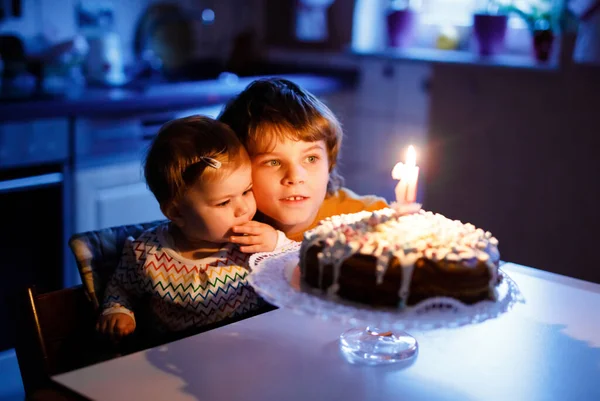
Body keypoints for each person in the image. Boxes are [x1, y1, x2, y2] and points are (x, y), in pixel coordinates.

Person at [97, 116, 293, 340]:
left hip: (249, 345)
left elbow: (298, 269)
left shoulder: (254, 241)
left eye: (246, 191)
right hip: (177, 355)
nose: (243, 209)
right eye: (224, 202)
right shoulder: (147, 253)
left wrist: (277, 244)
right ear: (176, 213)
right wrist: (118, 310)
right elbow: (121, 287)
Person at [218, 78, 388, 242]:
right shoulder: (227, 227)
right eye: (273, 162)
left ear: (329, 163)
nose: (295, 177)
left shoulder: (370, 219)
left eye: (311, 158)